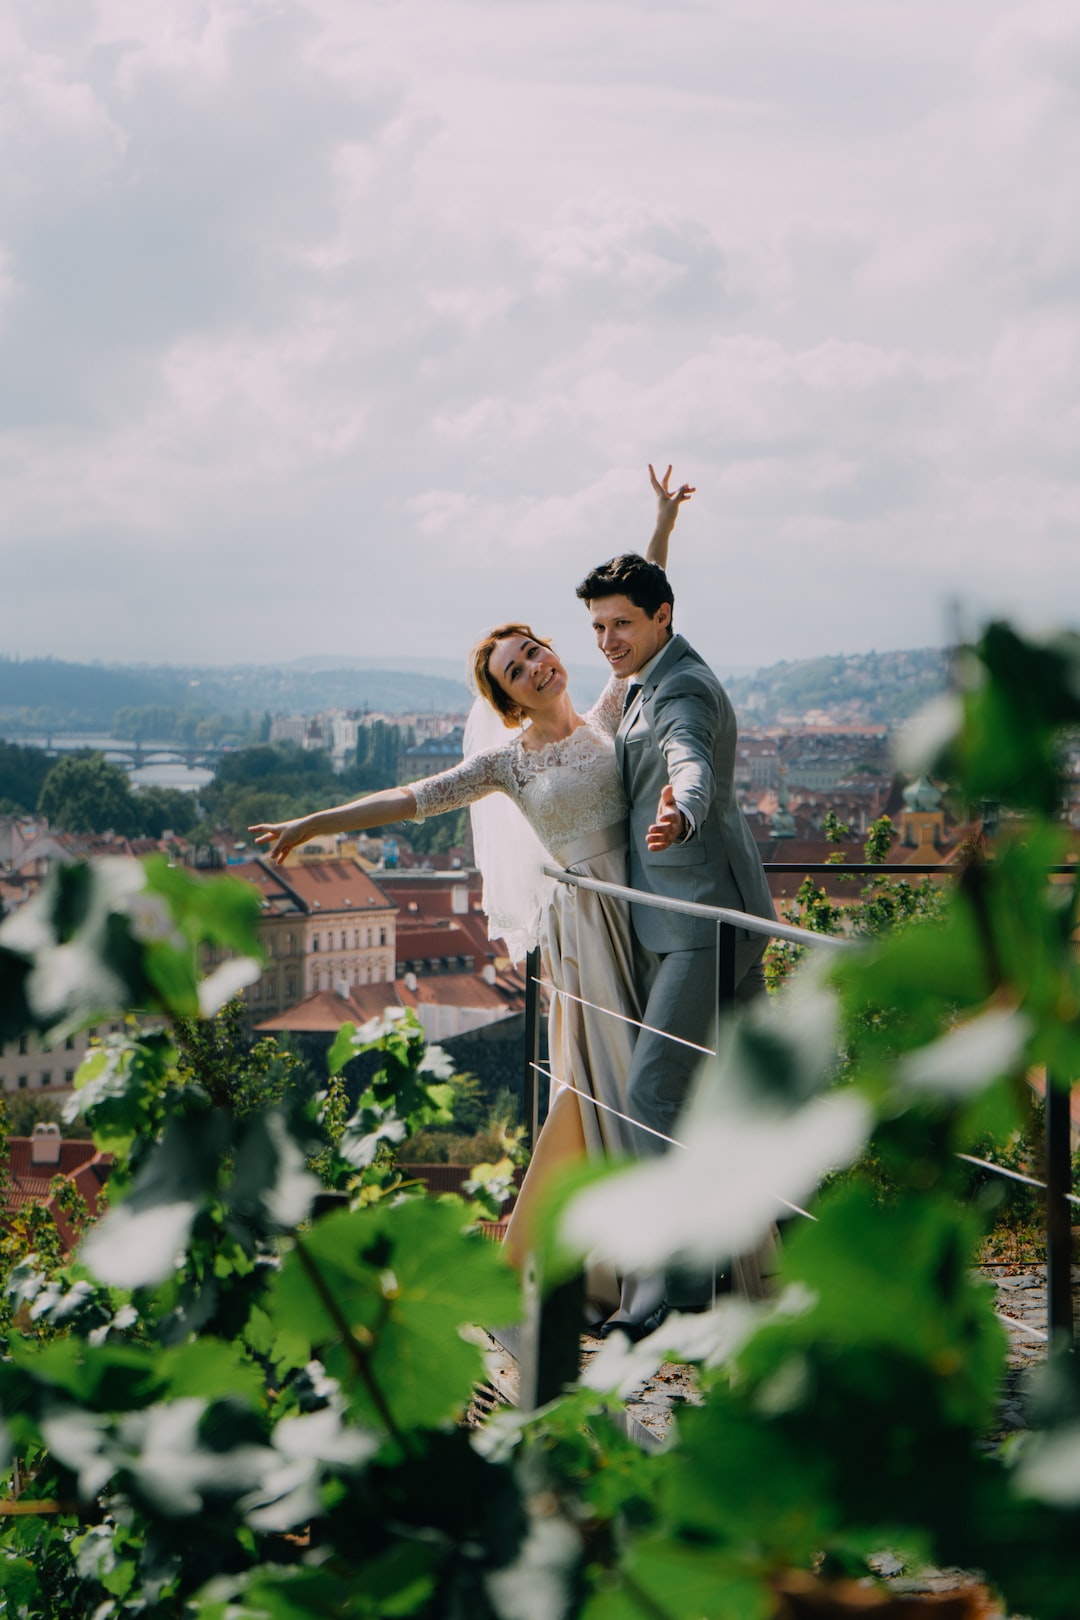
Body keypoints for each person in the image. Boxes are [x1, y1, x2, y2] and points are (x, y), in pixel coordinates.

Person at [250, 468, 695, 1336]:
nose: (532, 667)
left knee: (651, 1078)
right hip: (586, 930)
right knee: (614, 1090)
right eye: (512, 671)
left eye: (531, 650)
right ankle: (627, 1269)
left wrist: (662, 522)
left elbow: (640, 610)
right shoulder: (507, 762)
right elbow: (408, 799)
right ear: (503, 698)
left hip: (637, 915)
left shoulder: (606, 712)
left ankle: (630, 1252)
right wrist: (313, 823)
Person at [575, 529, 777, 1320]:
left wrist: (682, 812)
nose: (607, 642)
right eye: (597, 628)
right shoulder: (647, 676)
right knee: (735, 1097)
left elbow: (689, 761)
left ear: (661, 616)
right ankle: (741, 1272)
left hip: (702, 920)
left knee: (655, 1086)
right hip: (674, 917)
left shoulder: (681, 687)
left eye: (620, 624)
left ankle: (678, 1283)